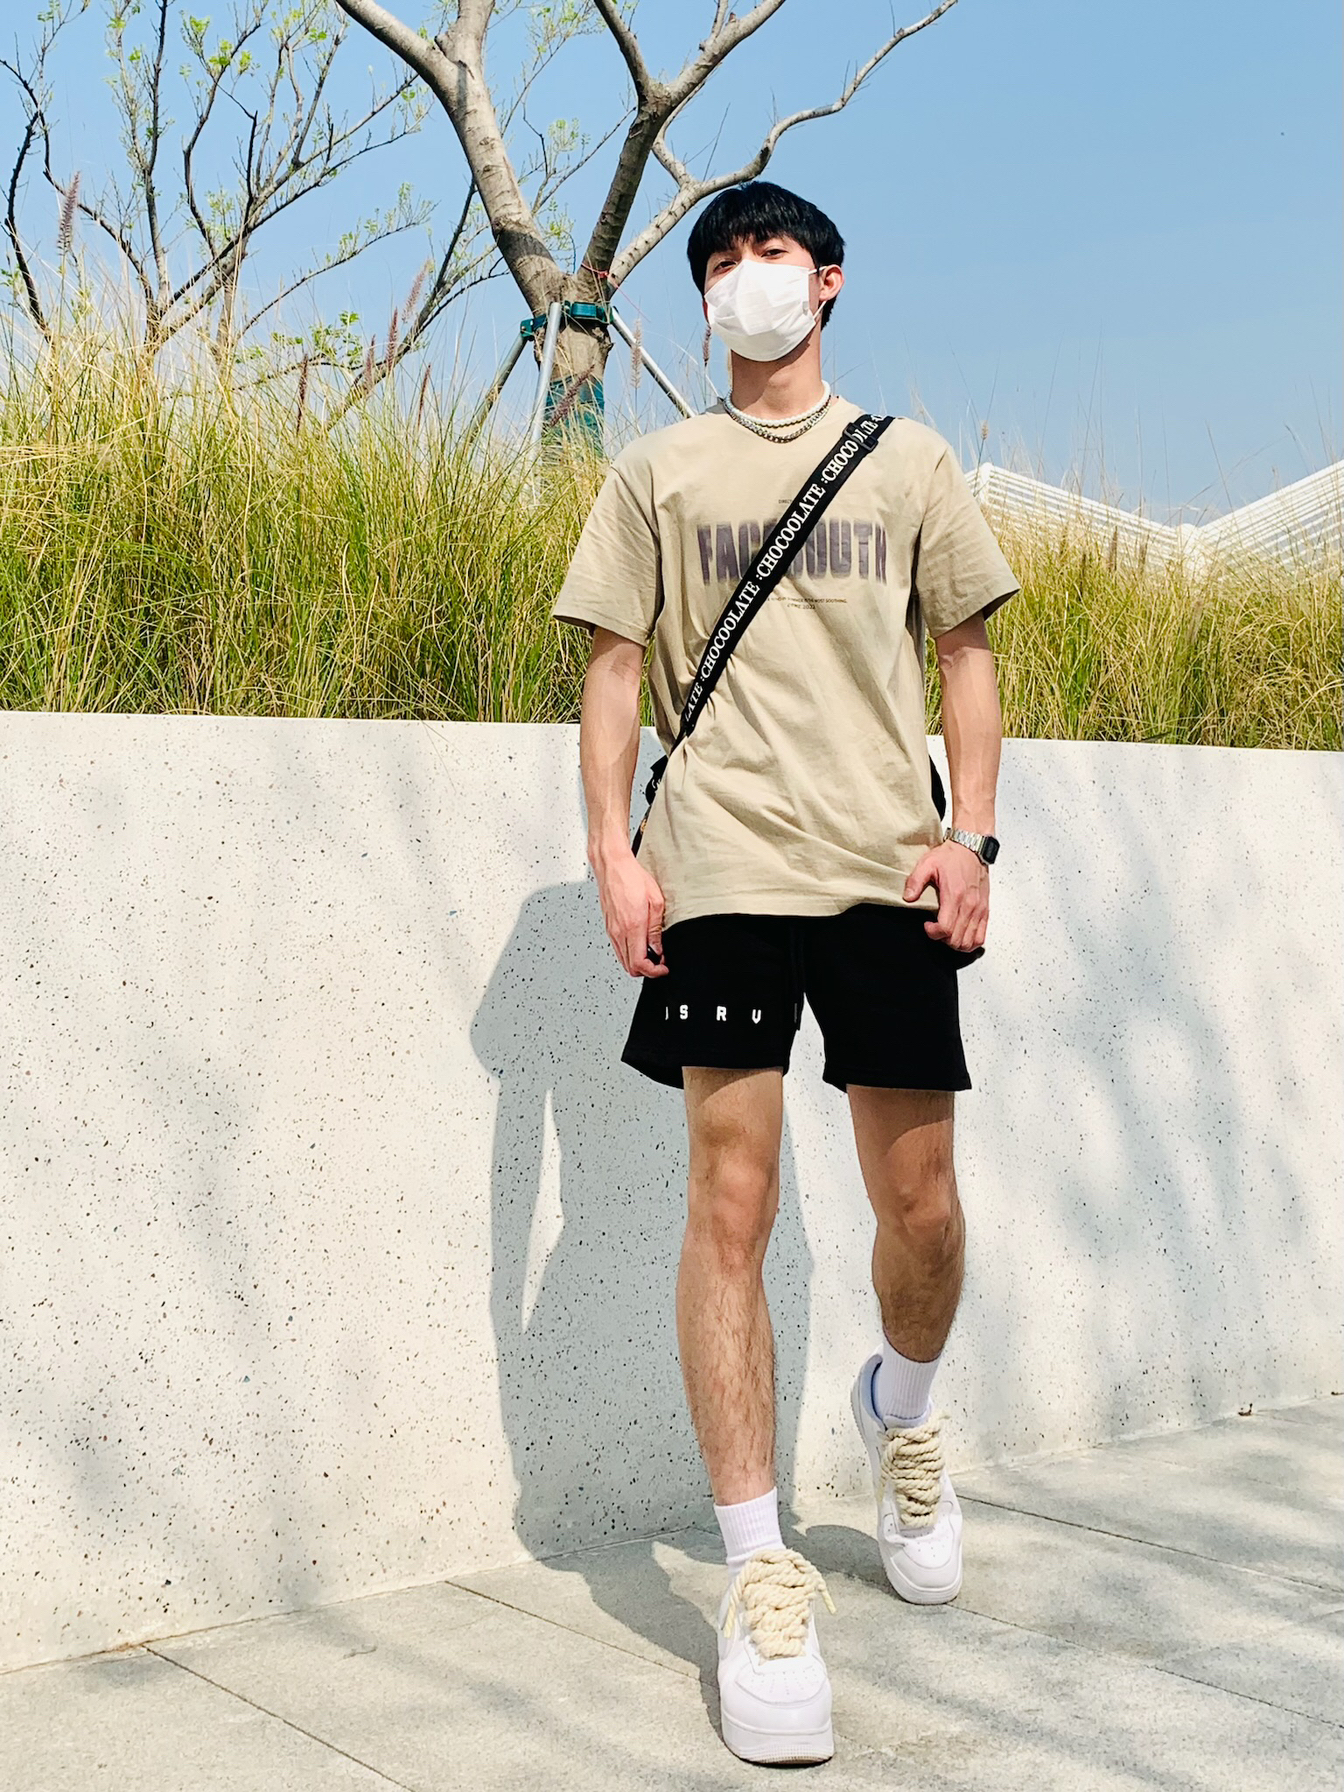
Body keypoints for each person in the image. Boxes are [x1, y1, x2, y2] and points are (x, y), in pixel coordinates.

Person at [551, 180, 1018, 1767]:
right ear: (704, 300)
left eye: (769, 253)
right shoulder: (657, 470)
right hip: (722, 869)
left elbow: (967, 652)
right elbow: (614, 665)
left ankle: (905, 1411)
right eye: (720, 260)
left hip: (886, 867)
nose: (744, 277)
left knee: (922, 1205)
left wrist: (973, 838)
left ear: (828, 281)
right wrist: (614, 854)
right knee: (730, 1203)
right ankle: (762, 1574)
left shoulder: (910, 459)